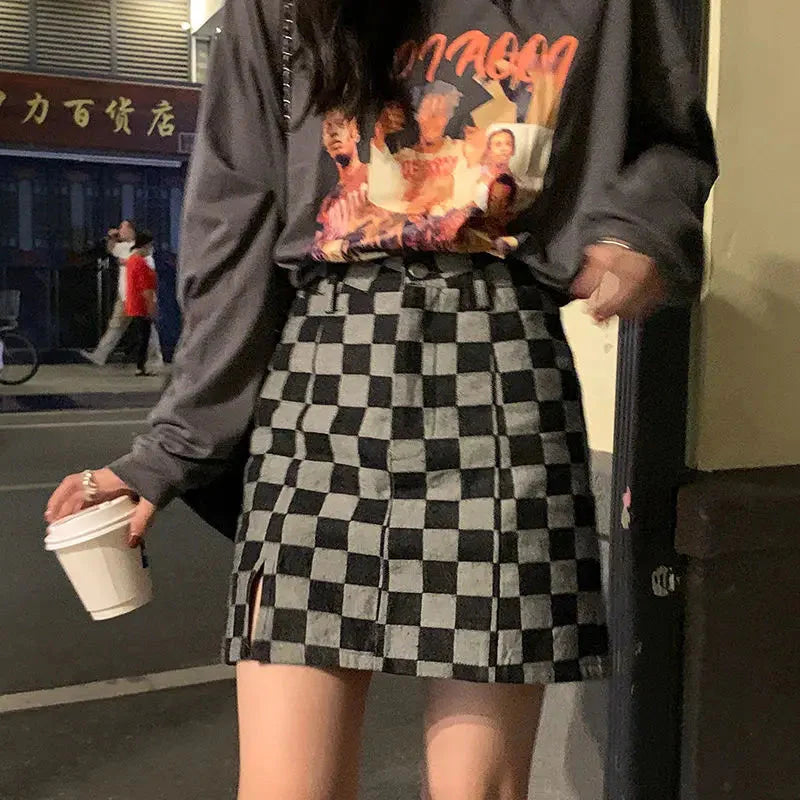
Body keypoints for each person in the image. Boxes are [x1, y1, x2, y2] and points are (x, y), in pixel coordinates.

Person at [46, 1, 717, 798]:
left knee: (478, 791)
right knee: (285, 788)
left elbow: (668, 138)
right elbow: (235, 219)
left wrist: (641, 229)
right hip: (323, 365)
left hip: (501, 361)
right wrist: (170, 449)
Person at [80, 219, 164, 373]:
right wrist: (112, 238)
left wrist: (126, 261)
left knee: (148, 330)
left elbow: (144, 265)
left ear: (132, 230)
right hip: (124, 294)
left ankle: (155, 360)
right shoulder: (124, 246)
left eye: (123, 227)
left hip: (139, 295)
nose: (120, 230)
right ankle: (100, 355)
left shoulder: (142, 247)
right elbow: (111, 249)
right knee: (116, 325)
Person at [124, 231, 158, 377]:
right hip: (141, 305)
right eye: (150, 245)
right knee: (144, 337)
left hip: (134, 303)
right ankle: (140, 365)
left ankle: (141, 364)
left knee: (142, 336)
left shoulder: (132, 260)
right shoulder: (140, 263)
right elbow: (146, 288)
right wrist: (151, 307)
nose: (151, 249)